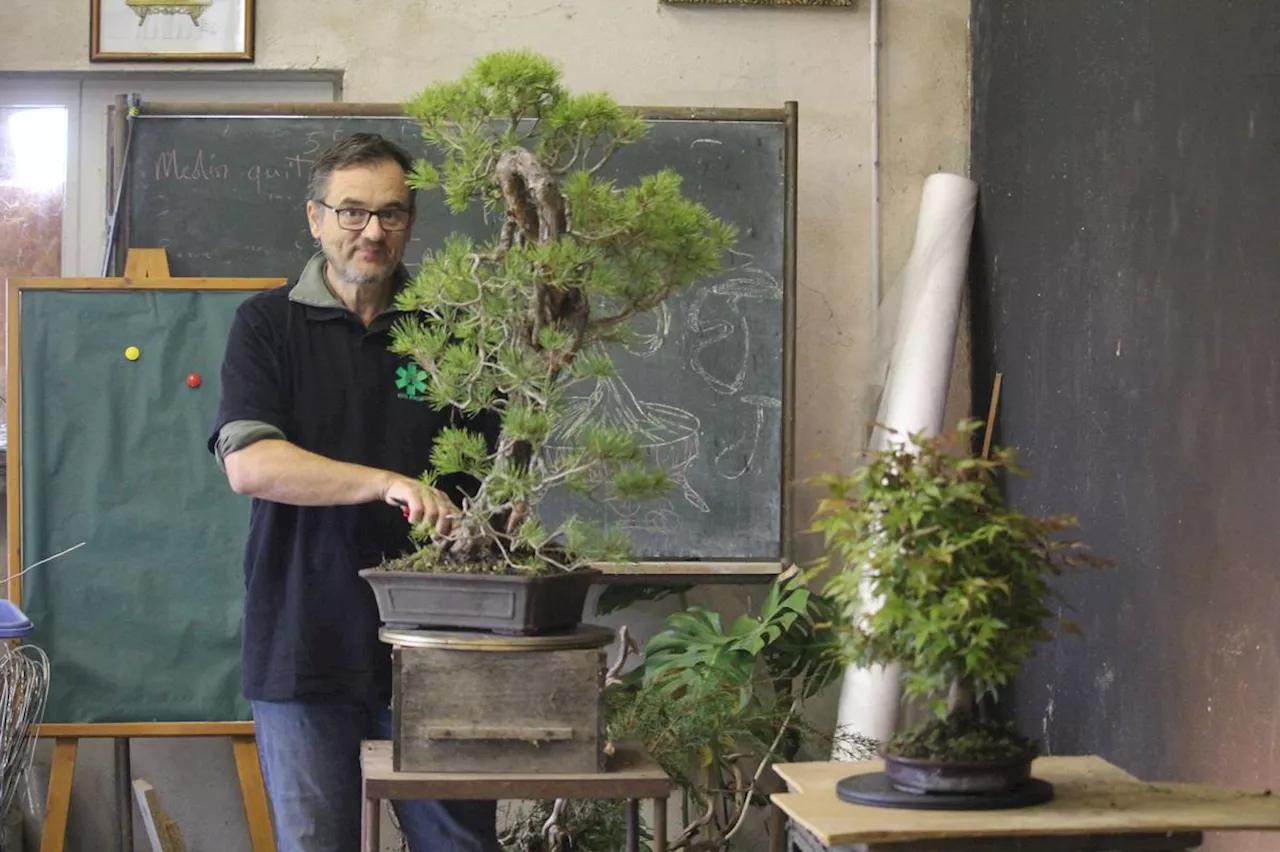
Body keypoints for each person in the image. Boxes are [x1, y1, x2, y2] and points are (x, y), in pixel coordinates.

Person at [208, 132, 499, 852]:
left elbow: (496, 474)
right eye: (352, 212)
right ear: (315, 218)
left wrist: (504, 511)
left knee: (459, 845)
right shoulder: (267, 325)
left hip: (441, 649)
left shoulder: (457, 329)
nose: (372, 231)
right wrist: (385, 483)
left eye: (392, 214)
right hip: (303, 640)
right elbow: (250, 464)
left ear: (412, 223)